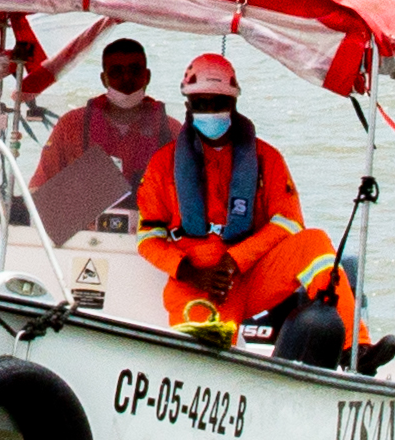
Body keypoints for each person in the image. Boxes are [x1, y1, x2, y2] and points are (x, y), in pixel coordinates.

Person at [137, 52, 351, 356]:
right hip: (194, 282)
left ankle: (357, 348)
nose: (210, 111)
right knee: (202, 355)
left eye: (219, 102)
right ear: (188, 107)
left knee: (314, 243)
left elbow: (289, 223)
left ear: (234, 104)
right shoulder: (162, 164)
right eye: (201, 103)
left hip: (249, 274)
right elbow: (148, 239)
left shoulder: (267, 158)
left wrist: (235, 260)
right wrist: (190, 272)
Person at [26, 38, 173, 233]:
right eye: (117, 71)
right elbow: (39, 192)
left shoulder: (171, 131)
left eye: (135, 70)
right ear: (104, 79)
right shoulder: (71, 125)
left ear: (147, 76)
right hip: (83, 239)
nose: (126, 78)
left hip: (146, 241)